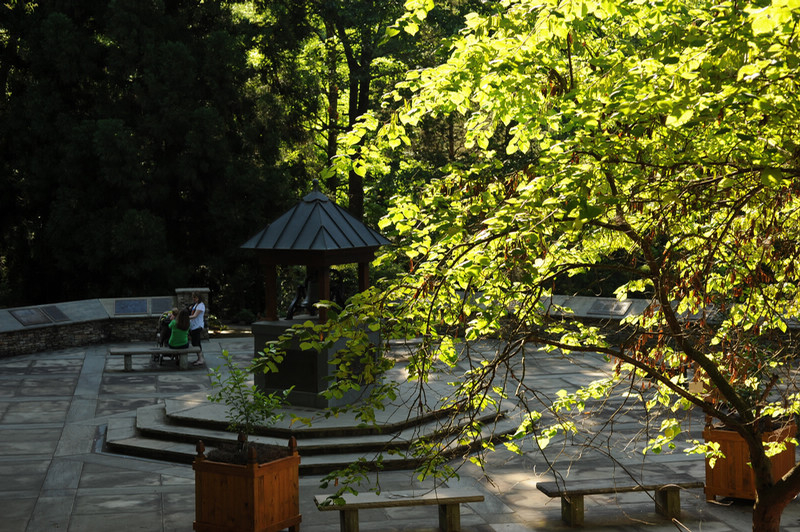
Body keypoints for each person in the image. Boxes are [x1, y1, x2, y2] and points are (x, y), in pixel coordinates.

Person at [188, 292, 206, 366]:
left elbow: (195, 315)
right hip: (193, 326)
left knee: (196, 343)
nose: (194, 299)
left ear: (199, 298)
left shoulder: (201, 306)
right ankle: (199, 358)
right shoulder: (196, 305)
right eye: (193, 297)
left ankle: (201, 359)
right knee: (195, 343)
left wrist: (184, 317)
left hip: (197, 326)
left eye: (195, 297)